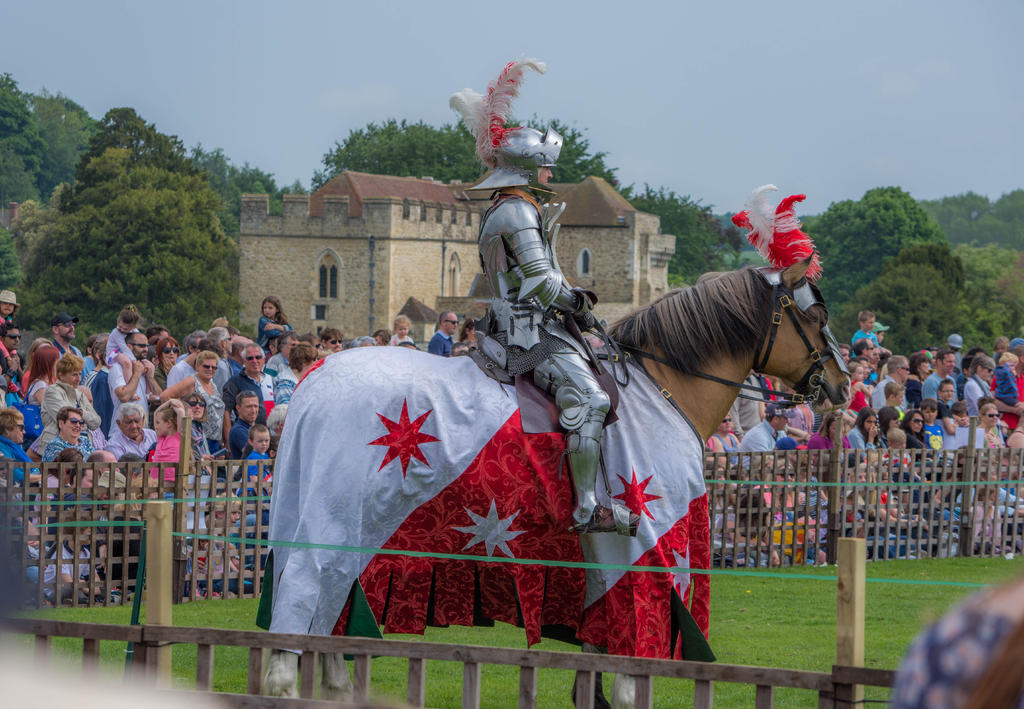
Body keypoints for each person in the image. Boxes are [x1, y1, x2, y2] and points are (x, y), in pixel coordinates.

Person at [451, 59, 629, 533]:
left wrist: (579, 308)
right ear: (528, 169)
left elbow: (549, 273)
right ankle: (588, 508)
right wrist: (579, 304)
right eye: (546, 168)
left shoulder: (519, 208)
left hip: (537, 321)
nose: (551, 176)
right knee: (590, 400)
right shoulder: (516, 212)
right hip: (527, 332)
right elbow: (541, 283)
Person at [160, 350, 228, 453]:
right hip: (196, 438)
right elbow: (165, 396)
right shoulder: (192, 381)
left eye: (214, 367)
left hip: (214, 440)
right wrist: (183, 413)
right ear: (198, 366)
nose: (210, 369)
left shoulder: (212, 385)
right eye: (206, 366)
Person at [39, 353, 100, 451]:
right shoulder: (52, 391)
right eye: (74, 374)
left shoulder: (79, 393)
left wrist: (81, 412)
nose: (79, 379)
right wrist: (84, 419)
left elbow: (96, 422)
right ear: (61, 375)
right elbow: (67, 419)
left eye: (80, 374)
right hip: (56, 446)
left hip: (81, 444)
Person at [107, 330, 160, 433]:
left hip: (143, 432)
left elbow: (158, 400)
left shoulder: (145, 367)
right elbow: (124, 396)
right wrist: (136, 374)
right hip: (121, 433)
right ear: (129, 347)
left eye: (146, 346)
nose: (145, 349)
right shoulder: (117, 368)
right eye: (141, 346)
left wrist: (150, 378)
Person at [222, 343, 273, 426]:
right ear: (244, 361)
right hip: (247, 434)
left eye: (258, 357)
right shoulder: (235, 381)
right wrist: (228, 437)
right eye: (250, 358)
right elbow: (225, 411)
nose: (255, 361)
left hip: (269, 432)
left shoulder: (269, 379)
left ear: (263, 359)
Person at [149, 399, 186, 483]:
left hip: (172, 481)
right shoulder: (160, 438)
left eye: (158, 423)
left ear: (169, 423)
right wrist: (169, 402)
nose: (156, 426)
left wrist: (174, 406)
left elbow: (181, 412)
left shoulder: (178, 436)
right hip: (155, 481)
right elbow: (155, 413)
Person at [0, 408, 38, 484]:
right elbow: (14, 475)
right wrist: (43, 477)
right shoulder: (2, 448)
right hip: (17, 492)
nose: (24, 432)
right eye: (21, 428)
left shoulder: (15, 447)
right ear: (7, 429)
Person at [229, 391, 260, 459]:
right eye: (249, 407)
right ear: (238, 408)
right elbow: (255, 454)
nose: (253, 410)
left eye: (256, 406)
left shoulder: (257, 428)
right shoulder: (238, 430)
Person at [244, 423, 272, 495]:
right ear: (251, 441)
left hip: (262, 487)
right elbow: (254, 479)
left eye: (266, 440)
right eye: (260, 441)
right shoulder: (253, 458)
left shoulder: (266, 455)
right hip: (251, 491)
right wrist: (260, 496)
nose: (264, 443)